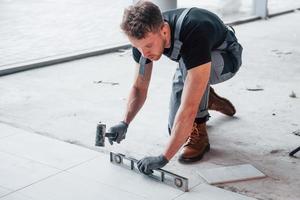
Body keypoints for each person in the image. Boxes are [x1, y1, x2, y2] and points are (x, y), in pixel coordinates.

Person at [107, 0, 243, 175]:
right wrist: (124, 122)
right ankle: (204, 93)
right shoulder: (143, 42)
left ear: (164, 31)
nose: (144, 54)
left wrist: (164, 158)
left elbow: (188, 108)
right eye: (138, 48)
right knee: (176, 130)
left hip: (226, 59)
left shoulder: (195, 31)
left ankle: (200, 132)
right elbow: (139, 88)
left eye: (148, 46)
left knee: (190, 104)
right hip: (191, 63)